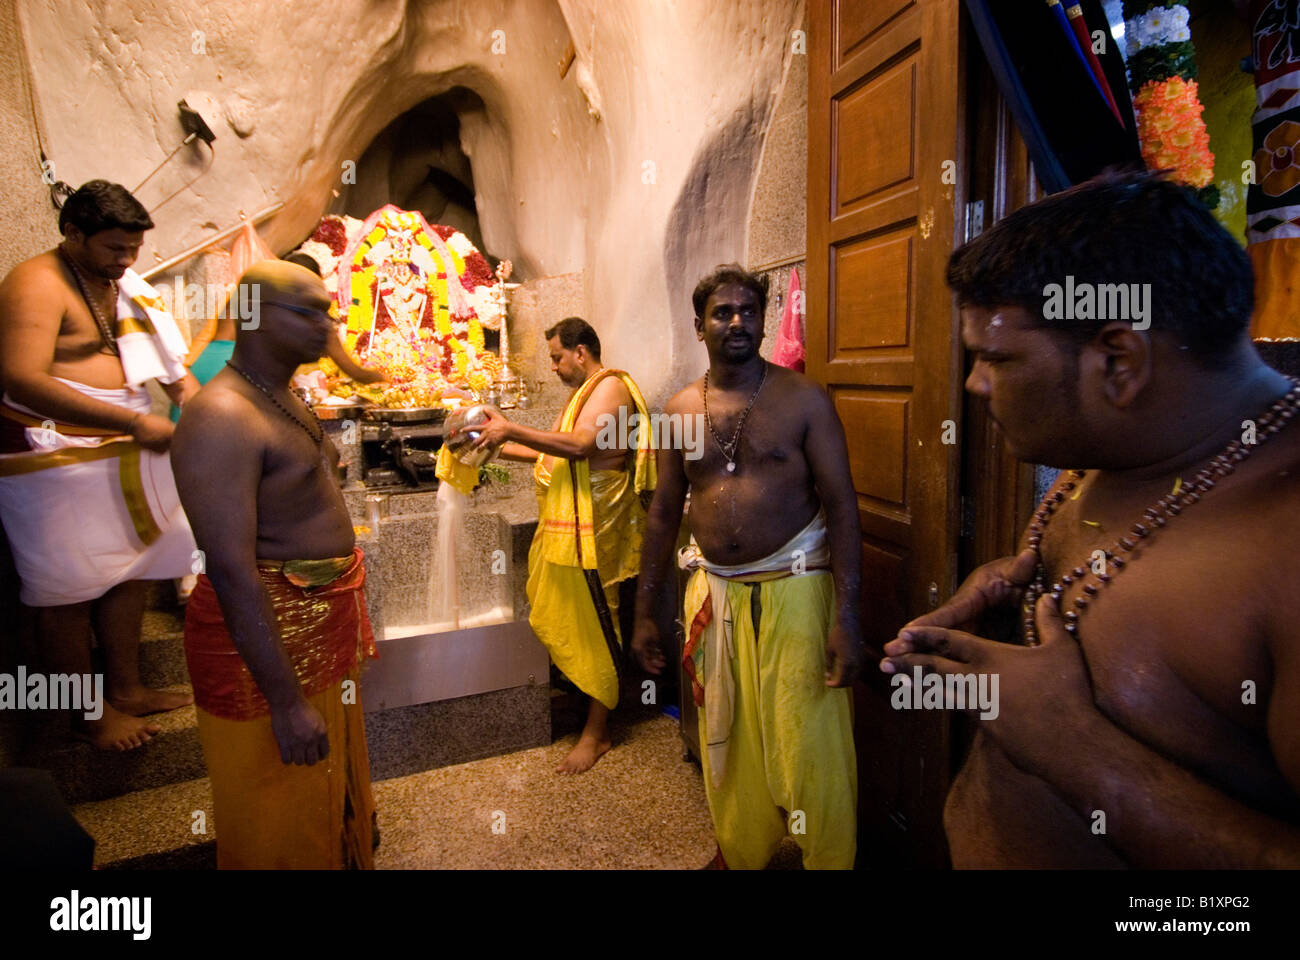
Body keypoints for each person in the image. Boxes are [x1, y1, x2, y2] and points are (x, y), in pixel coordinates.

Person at [882, 171, 1300, 868]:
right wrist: (1001, 593)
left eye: (996, 357)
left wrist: (1074, 747)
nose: (974, 384)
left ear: (1118, 360)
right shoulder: (1122, 446)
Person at [630, 265, 864, 869]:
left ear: (762, 319)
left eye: (748, 311)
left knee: (810, 742)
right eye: (722, 312)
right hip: (718, 596)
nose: (737, 322)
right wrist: (644, 615)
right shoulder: (679, 410)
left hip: (797, 592)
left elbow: (842, 506)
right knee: (728, 741)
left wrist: (848, 616)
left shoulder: (804, 399)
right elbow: (661, 517)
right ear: (700, 323)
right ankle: (742, 848)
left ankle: (829, 859)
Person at [170, 260, 378, 869]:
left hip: (318, 627)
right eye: (308, 312)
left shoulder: (280, 392)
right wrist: (286, 701)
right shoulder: (221, 416)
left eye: (328, 311)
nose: (327, 326)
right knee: (274, 818)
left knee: (320, 793)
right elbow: (231, 569)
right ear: (255, 316)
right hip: (265, 651)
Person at [0, 180, 197, 750]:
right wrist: (133, 422)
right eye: (114, 248)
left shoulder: (122, 282)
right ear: (73, 233)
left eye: (133, 249)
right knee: (65, 589)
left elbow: (172, 369)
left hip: (123, 449)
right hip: (51, 455)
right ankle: (88, 714)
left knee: (130, 569)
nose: (126, 261)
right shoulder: (34, 284)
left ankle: (129, 689)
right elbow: (22, 378)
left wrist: (195, 406)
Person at [470, 317, 655, 774]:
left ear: (581, 351)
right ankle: (587, 711)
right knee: (576, 617)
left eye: (556, 357)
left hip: (596, 529)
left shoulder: (609, 387)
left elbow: (579, 445)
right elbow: (549, 452)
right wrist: (484, 447)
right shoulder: (581, 396)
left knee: (598, 618)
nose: (553, 367)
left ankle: (599, 732)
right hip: (571, 528)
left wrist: (510, 428)